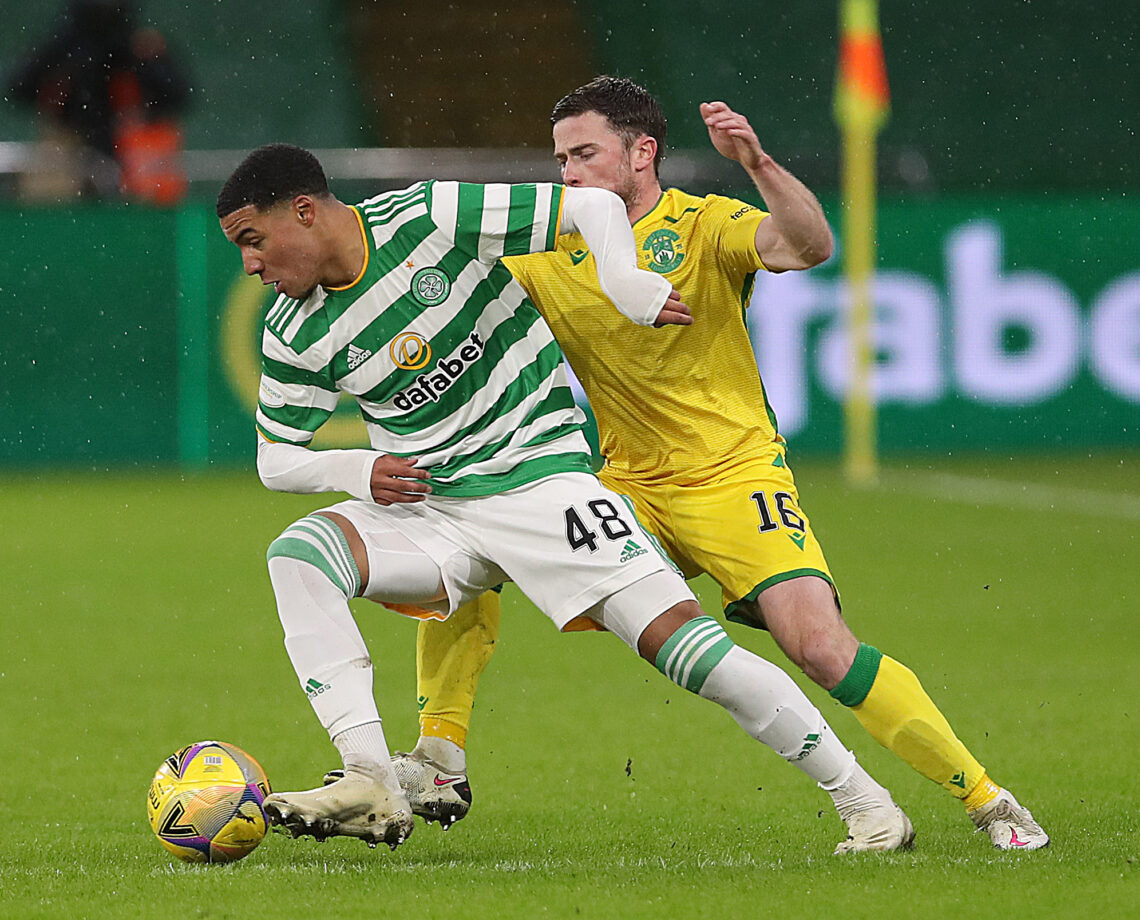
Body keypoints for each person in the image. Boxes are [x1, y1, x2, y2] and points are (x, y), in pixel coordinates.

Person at [395, 76, 1049, 851]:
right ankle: (440, 755)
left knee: (818, 646)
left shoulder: (705, 226)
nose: (567, 174)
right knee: (473, 552)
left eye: (584, 154)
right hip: (627, 485)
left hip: (734, 473)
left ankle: (987, 801)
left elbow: (808, 246)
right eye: (560, 158)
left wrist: (758, 162)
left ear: (643, 152)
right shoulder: (549, 246)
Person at [216, 143, 913, 853]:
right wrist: (355, 470)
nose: (250, 263)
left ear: (304, 211)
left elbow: (590, 204)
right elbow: (278, 460)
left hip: (543, 486)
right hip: (434, 511)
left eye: (253, 240)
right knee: (299, 555)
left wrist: (624, 277)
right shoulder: (291, 329)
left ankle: (867, 803)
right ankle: (370, 775)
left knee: (689, 651)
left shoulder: (431, 215)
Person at [6, 0, 190, 202]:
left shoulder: (139, 44)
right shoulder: (64, 45)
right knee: (51, 191)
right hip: (71, 140)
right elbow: (20, 87)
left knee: (148, 190)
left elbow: (178, 95)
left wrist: (147, 67)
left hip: (131, 141)